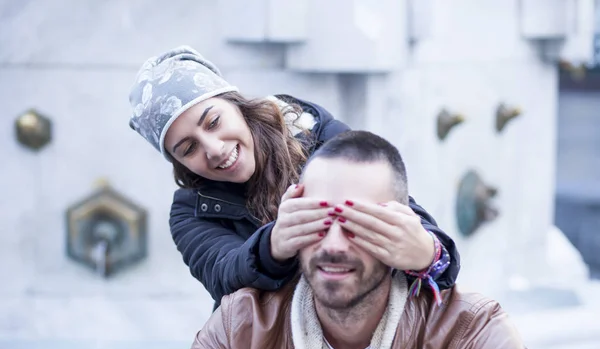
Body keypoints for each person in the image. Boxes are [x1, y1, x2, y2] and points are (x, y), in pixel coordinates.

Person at [150, 130, 540, 349]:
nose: (333, 245)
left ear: (399, 227)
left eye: (358, 224)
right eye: (318, 221)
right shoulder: (244, 325)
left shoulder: (470, 332)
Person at [128, 46, 459, 308]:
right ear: (179, 163)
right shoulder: (189, 210)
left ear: (237, 105)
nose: (213, 149)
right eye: (188, 148)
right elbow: (223, 276)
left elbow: (408, 217)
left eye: (213, 122)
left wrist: (428, 253)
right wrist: (274, 245)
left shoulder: (314, 134)